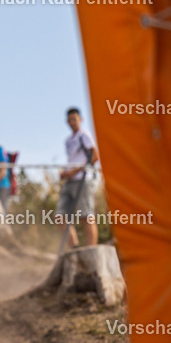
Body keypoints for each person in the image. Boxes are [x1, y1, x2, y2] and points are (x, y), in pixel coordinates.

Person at [56, 107, 100, 250]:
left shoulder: (84, 135)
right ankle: (74, 249)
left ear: (80, 119)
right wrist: (66, 173)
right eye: (69, 120)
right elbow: (73, 159)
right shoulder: (68, 140)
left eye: (74, 119)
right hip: (70, 181)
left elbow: (94, 156)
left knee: (85, 215)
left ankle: (91, 250)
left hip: (84, 179)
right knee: (60, 216)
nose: (72, 122)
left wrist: (74, 171)